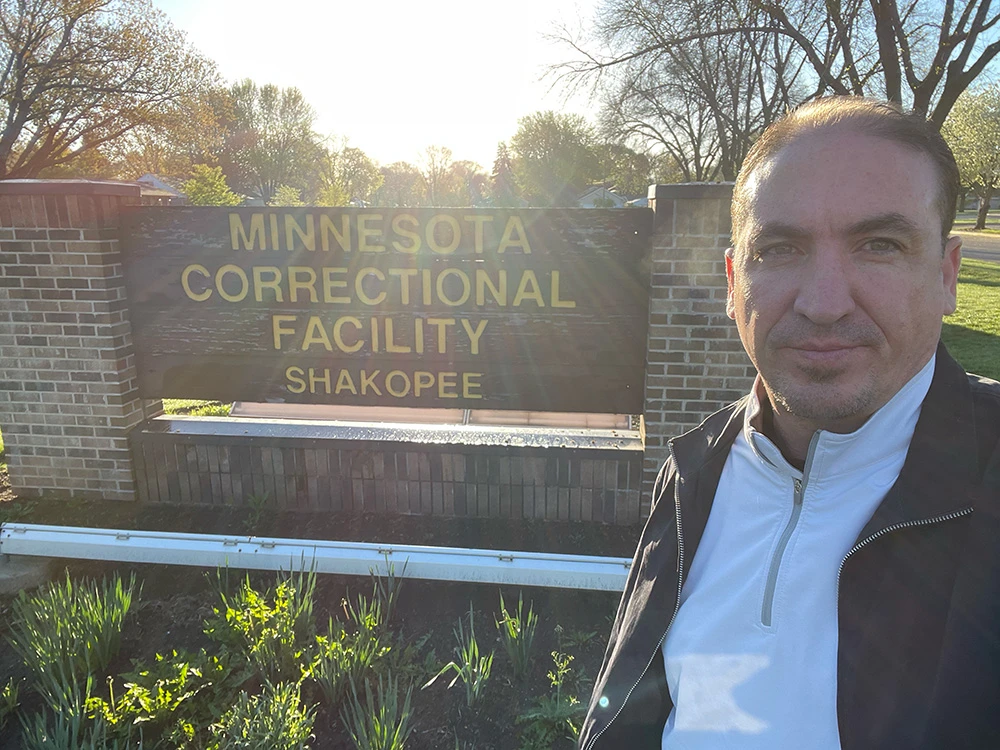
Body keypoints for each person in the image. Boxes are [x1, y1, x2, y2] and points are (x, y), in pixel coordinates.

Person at [579, 96, 1000, 750]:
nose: (824, 303)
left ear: (947, 275)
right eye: (778, 249)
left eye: (880, 245)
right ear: (731, 281)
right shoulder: (696, 470)